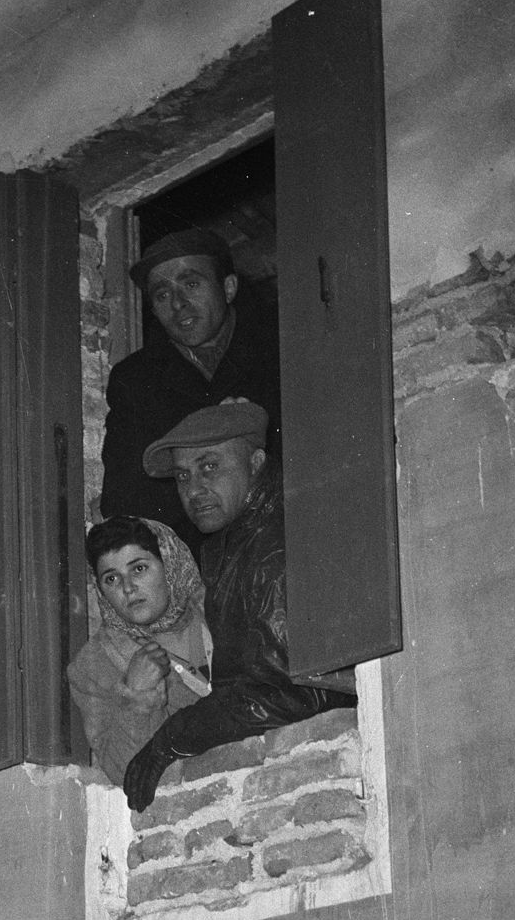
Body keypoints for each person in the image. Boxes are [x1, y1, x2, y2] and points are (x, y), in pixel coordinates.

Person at [120, 400, 355, 813]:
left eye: (209, 467)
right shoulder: (231, 543)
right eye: (182, 476)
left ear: (257, 463)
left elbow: (288, 692)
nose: (193, 490)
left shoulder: (277, 542)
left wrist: (171, 739)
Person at [99, 227, 282, 546]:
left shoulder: (280, 350)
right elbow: (123, 502)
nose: (178, 303)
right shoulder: (134, 378)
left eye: (191, 283)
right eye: (162, 294)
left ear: (228, 287)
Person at [68, 516, 212, 788]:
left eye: (139, 569)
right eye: (111, 578)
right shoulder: (97, 664)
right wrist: (137, 697)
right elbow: (129, 775)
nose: (128, 588)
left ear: (169, 564)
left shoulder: (222, 609)